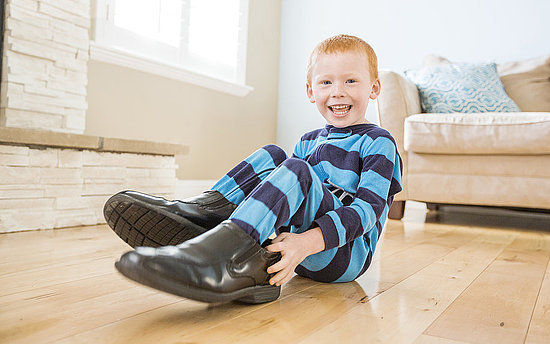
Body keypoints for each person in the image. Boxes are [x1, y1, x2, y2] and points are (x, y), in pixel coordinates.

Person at [106, 34, 403, 304]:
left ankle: (221, 253)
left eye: (351, 81)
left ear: (374, 88)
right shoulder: (309, 141)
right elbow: (282, 204)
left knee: (297, 171)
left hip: (344, 256)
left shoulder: (378, 142)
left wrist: (305, 243)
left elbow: (367, 213)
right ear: (311, 91)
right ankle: (202, 217)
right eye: (326, 83)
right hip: (293, 249)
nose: (338, 92)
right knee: (274, 155)